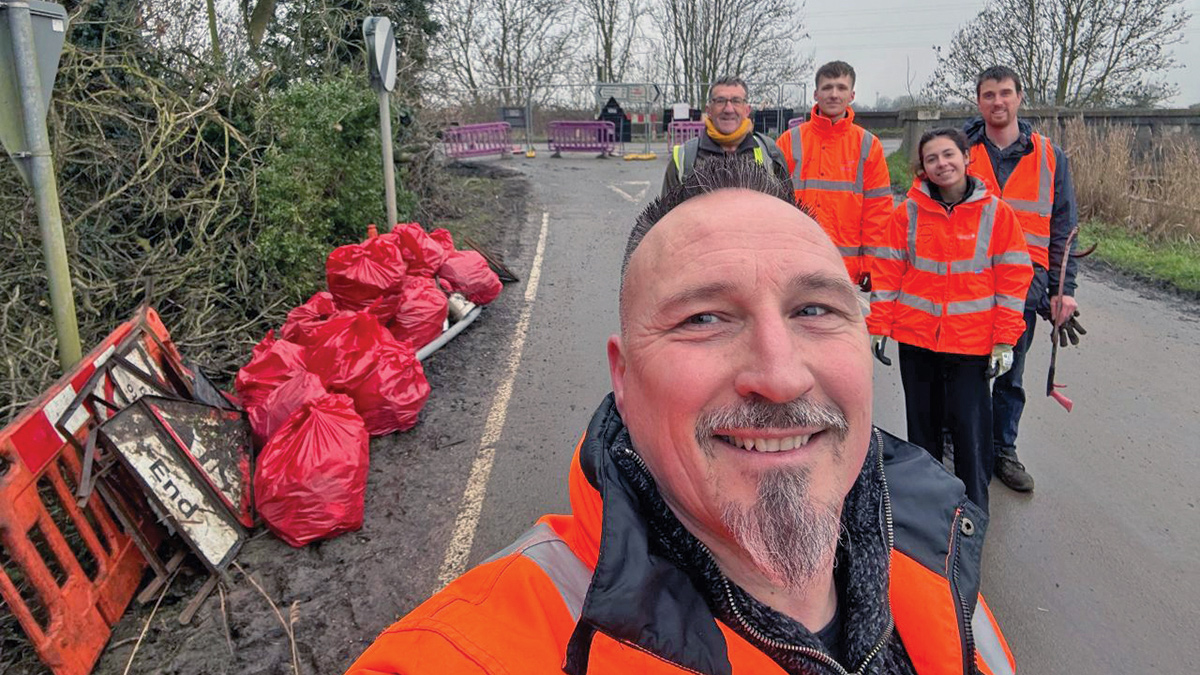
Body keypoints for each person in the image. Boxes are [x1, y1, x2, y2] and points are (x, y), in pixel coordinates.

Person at [345, 160, 1016, 675]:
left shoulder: (944, 567)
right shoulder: (471, 648)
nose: (780, 374)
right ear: (624, 377)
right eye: (704, 318)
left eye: (815, 309)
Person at [868, 128, 1033, 513]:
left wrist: (1005, 339)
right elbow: (888, 272)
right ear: (922, 168)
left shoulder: (996, 214)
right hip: (918, 342)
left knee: (971, 437)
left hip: (971, 345)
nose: (942, 164)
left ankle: (973, 512)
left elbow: (1012, 279)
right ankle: (928, 514)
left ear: (965, 157)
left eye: (948, 155)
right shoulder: (908, 213)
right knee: (922, 434)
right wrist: (879, 326)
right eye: (932, 159)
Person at [964, 66, 1083, 494]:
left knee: (1010, 372)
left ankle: (1002, 449)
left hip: (1023, 284)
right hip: (966, 281)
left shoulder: (1051, 158)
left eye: (1006, 94)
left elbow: (1064, 229)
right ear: (979, 100)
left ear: (1019, 97)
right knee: (960, 368)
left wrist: (1062, 290)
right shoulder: (960, 150)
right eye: (990, 95)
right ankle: (952, 442)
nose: (998, 102)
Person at [774, 61, 892, 289]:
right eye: (827, 87)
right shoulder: (789, 141)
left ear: (852, 95)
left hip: (845, 268)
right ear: (816, 94)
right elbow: (773, 202)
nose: (834, 94)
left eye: (841, 88)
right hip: (795, 263)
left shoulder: (867, 145)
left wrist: (872, 263)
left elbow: (878, 210)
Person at [660, 76, 789, 196]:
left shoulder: (771, 154)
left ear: (747, 110)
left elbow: (788, 212)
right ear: (709, 110)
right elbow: (666, 217)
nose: (728, 109)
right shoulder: (684, 158)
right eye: (720, 101)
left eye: (736, 101)